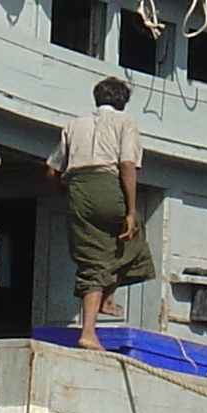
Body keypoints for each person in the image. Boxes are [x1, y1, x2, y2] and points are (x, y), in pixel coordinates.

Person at [47, 78, 153, 350]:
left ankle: (88, 332)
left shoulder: (73, 125)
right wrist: (130, 210)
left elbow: (52, 171)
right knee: (133, 236)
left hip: (78, 190)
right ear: (123, 101)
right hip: (107, 185)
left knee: (91, 263)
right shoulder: (124, 122)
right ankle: (107, 298)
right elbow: (127, 165)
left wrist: (69, 196)